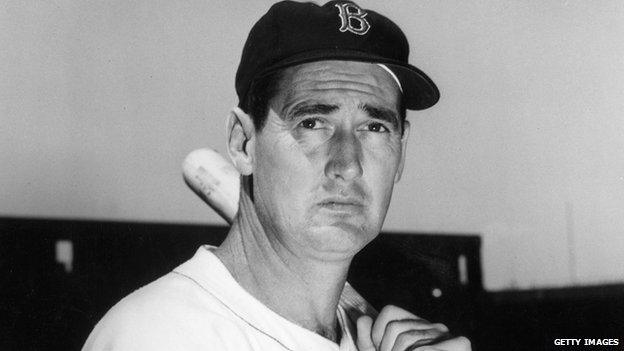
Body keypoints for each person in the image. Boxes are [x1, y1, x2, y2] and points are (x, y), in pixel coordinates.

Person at [83, 1, 471, 350]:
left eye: (375, 128)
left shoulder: (368, 340)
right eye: (313, 122)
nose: (348, 163)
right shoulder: (161, 336)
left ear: (401, 151)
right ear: (243, 143)